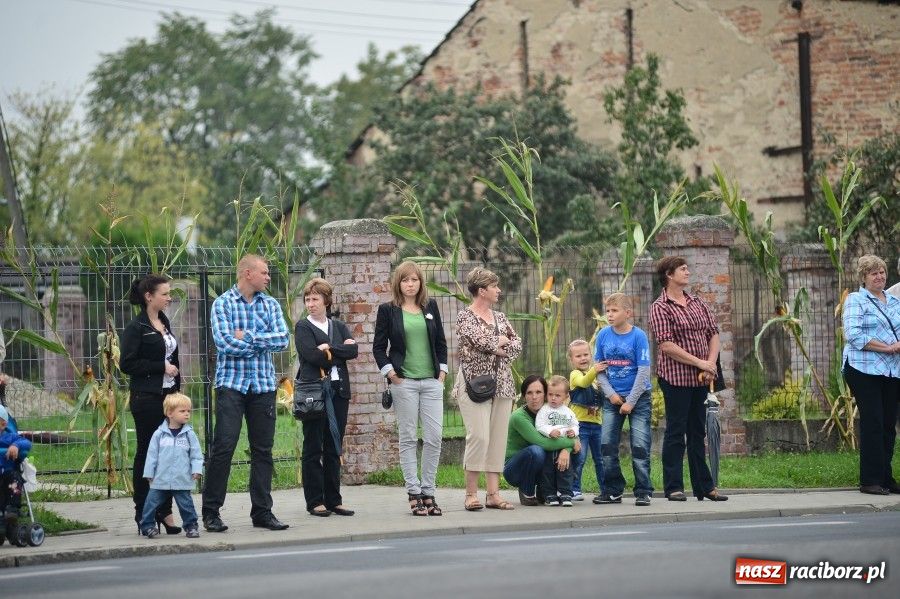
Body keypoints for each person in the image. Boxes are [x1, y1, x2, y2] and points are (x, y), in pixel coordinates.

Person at [202, 254, 291, 532]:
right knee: (224, 448)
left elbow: (283, 339)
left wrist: (248, 336)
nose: (268, 277)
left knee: (262, 450)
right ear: (248, 273)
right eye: (264, 273)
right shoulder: (223, 304)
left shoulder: (271, 304)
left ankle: (262, 512)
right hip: (231, 386)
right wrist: (261, 341)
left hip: (263, 387)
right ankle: (211, 512)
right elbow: (225, 343)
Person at [649, 256, 728, 502]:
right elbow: (666, 345)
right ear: (669, 275)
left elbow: (713, 333)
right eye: (682, 269)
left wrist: (711, 363)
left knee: (698, 431)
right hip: (676, 378)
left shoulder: (697, 302)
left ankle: (704, 486)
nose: (687, 271)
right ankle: (673, 487)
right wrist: (699, 362)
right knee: (676, 431)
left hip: (702, 377)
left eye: (687, 268)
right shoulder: (660, 306)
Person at [373, 261, 448, 516]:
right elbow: (378, 347)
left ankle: (429, 491)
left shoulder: (430, 307)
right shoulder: (388, 310)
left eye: (414, 280)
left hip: (431, 382)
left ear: (420, 283)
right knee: (407, 437)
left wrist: (443, 372)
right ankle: (414, 492)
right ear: (398, 283)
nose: (410, 284)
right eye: (405, 280)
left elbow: (440, 341)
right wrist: (391, 374)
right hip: (403, 382)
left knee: (434, 437)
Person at [119, 274, 182, 534]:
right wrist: (161, 368)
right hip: (146, 399)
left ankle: (164, 511)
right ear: (149, 296)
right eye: (165, 294)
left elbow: (170, 353)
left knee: (168, 456)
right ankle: (143, 513)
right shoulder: (137, 327)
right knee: (148, 455)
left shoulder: (163, 322)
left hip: (168, 399)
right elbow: (127, 364)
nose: (169, 298)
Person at [455, 266, 522, 511]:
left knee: (496, 439)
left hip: (502, 384)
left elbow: (517, 344)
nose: (499, 290)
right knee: (479, 437)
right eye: (494, 286)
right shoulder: (465, 317)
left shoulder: (501, 317)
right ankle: (470, 494)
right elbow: (479, 341)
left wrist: (499, 346)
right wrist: (497, 343)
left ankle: (493, 494)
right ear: (482, 291)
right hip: (474, 383)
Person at [296, 277, 359, 517]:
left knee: (334, 445)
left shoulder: (338, 326)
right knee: (313, 446)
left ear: (326, 301)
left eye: (315, 299)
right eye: (307, 299)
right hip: (314, 392)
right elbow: (311, 356)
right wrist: (336, 350)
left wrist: (329, 349)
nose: (310, 304)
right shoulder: (303, 327)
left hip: (338, 392)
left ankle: (334, 499)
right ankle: (315, 500)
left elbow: (353, 351)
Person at [841, 255, 900, 495]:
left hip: (891, 370)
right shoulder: (856, 300)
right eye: (874, 273)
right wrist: (887, 347)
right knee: (873, 422)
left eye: (882, 272)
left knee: (888, 425)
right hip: (863, 368)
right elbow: (852, 335)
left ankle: (886, 478)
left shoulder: (894, 301)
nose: (879, 277)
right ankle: (870, 480)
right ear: (863, 277)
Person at [594, 293, 654, 506]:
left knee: (639, 445)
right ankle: (613, 490)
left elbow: (644, 370)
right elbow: (599, 370)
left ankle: (643, 490)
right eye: (607, 311)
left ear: (628, 313)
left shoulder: (639, 336)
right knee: (607, 445)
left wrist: (631, 401)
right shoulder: (603, 336)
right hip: (612, 398)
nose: (609, 315)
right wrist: (611, 394)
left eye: (614, 311)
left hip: (639, 398)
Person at [504, 375, 579, 506]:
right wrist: (572, 443)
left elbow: (567, 429)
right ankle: (527, 491)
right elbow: (542, 443)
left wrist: (567, 450)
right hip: (515, 469)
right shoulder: (519, 417)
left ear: (545, 394)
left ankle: (552, 490)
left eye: (539, 392)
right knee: (537, 451)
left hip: (540, 464)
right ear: (523, 396)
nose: (534, 397)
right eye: (529, 393)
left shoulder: (550, 411)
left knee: (578, 452)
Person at [140, 393, 203, 539]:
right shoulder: (159, 434)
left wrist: (197, 470)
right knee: (150, 504)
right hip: (160, 479)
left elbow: (196, 455)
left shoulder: (189, 435)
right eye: (182, 411)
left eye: (188, 411)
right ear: (170, 413)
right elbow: (151, 456)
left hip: (182, 478)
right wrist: (149, 473)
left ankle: (191, 526)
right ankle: (147, 526)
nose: (187, 414)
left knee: (186, 505)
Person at [568, 338, 606, 501]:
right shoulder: (575, 375)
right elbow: (584, 383)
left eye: (586, 354)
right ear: (571, 360)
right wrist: (595, 371)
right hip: (580, 425)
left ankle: (606, 488)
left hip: (597, 424)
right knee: (580, 458)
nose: (583, 358)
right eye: (578, 356)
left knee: (601, 459)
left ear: (591, 355)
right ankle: (574, 488)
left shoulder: (597, 378)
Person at [536, 375, 579, 506]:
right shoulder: (544, 410)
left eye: (558, 395)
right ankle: (550, 495)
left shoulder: (568, 412)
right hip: (549, 447)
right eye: (550, 394)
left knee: (565, 470)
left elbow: (575, 425)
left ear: (566, 397)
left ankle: (565, 493)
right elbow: (539, 425)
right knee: (547, 472)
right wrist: (549, 431)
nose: (553, 398)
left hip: (563, 447)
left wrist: (573, 432)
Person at [0, 404, 31, 542]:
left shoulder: (10, 438)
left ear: (3, 424)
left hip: (7, 475)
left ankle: (12, 510)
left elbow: (26, 443)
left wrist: (15, 446)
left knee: (14, 477)